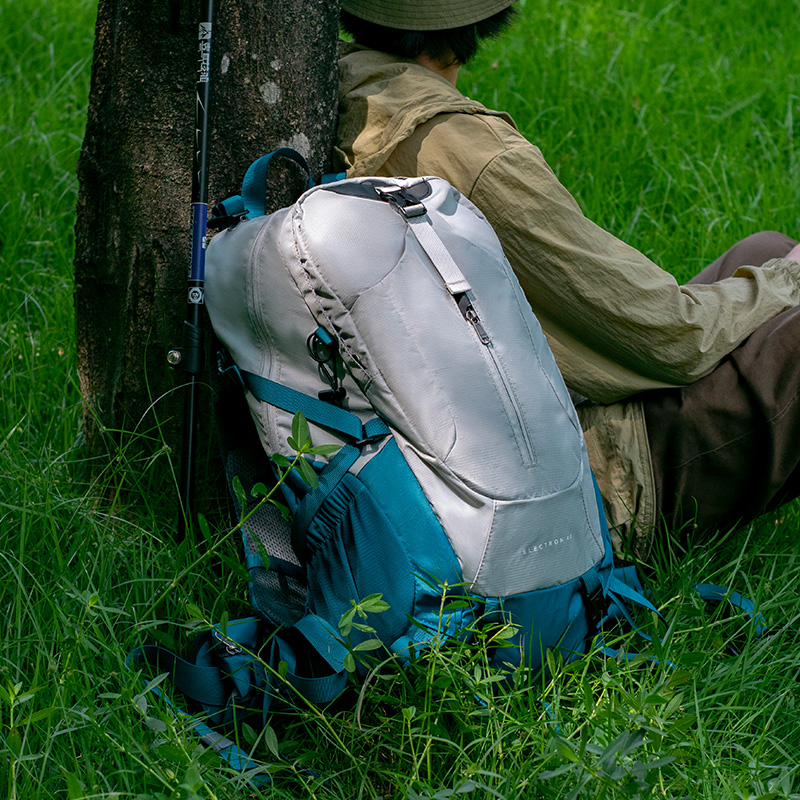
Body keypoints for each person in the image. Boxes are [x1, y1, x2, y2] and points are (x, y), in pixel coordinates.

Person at [334, 0, 800, 559]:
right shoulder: (462, 151)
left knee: (764, 251)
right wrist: (786, 281)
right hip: (574, 487)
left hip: (456, 451)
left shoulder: (344, 88)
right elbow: (670, 336)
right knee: (782, 284)